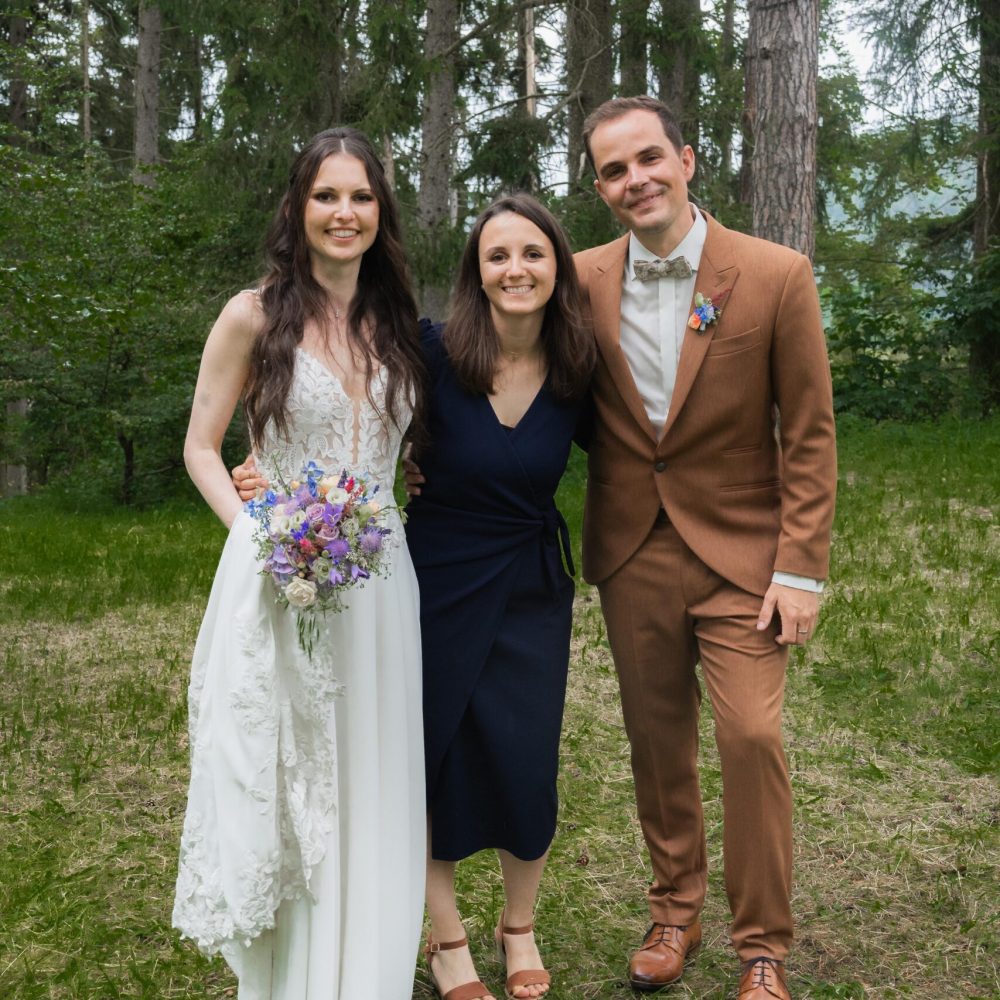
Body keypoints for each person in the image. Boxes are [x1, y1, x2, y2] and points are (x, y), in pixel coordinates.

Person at [575, 96, 837, 1000]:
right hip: (632, 547)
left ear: (686, 159)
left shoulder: (774, 274)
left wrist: (800, 568)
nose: (635, 179)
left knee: (752, 736)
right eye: (614, 169)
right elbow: (510, 384)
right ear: (601, 186)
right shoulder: (577, 280)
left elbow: (808, 434)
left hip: (746, 554)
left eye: (649, 158)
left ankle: (762, 943)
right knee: (656, 740)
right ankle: (673, 909)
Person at [172, 127, 428, 1000]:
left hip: (385, 580)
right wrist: (258, 531)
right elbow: (202, 447)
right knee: (293, 782)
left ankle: (371, 972)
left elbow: (402, 447)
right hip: (286, 576)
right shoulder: (253, 314)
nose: (344, 212)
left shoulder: (397, 320)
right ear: (298, 207)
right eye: (326, 196)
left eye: (360, 196)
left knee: (376, 775)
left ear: (379, 210)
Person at [406, 195, 594, 1000]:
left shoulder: (582, 365)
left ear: (557, 267)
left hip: (530, 587)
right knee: (431, 759)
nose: (515, 269)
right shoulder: (430, 351)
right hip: (434, 583)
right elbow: (337, 404)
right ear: (476, 273)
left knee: (526, 762)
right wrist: (262, 466)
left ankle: (519, 926)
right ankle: (447, 943)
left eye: (532, 254)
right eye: (497, 256)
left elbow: (657, 453)